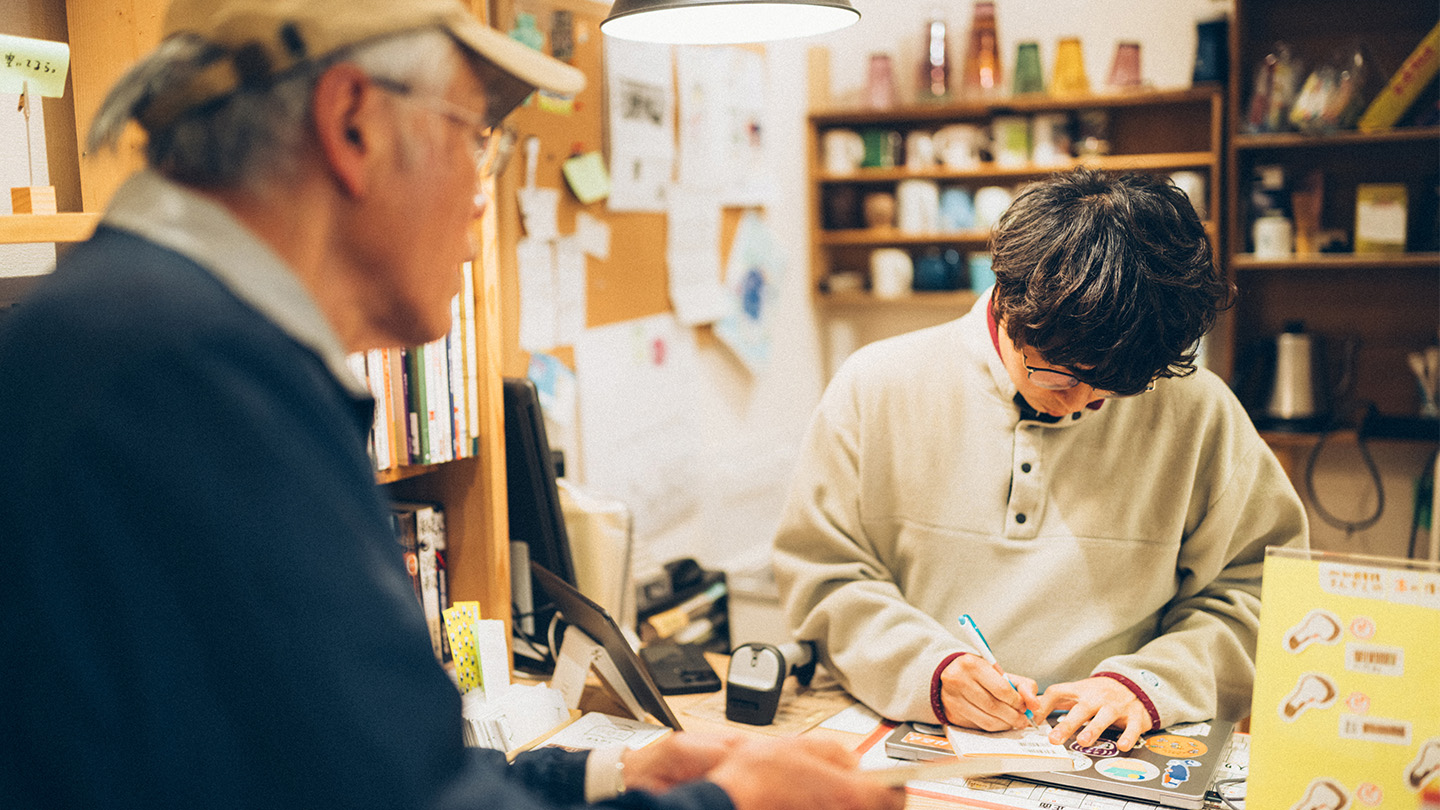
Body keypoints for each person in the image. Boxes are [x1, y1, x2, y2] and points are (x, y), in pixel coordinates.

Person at [0, 1, 904, 809]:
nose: (482, 193)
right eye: (473, 135)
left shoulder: (142, 327)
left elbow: (356, 772)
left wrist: (617, 773)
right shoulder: (197, 379)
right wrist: (735, 804)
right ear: (351, 123)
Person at [773, 168, 1308, 753]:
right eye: (1060, 374)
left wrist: (1147, 685)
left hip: (1119, 756)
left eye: (1112, 390)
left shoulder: (1198, 411)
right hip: (914, 743)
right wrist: (929, 669)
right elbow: (825, 576)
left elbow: (1260, 592)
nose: (1082, 402)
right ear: (1006, 302)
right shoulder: (876, 387)